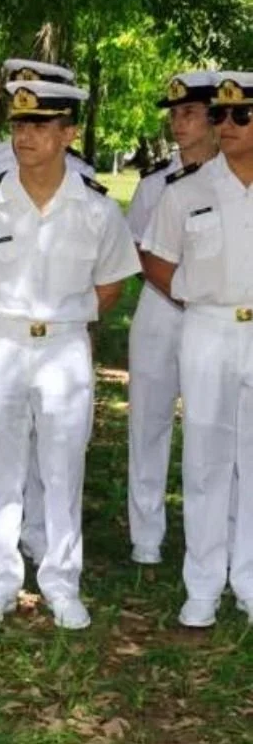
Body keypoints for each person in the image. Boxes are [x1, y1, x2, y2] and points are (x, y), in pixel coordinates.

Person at [0, 78, 138, 628]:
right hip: (1, 342)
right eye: (19, 125)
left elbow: (110, 284)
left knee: (62, 468)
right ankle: (0, 581)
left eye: (39, 125)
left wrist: (67, 314)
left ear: (68, 133)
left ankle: (61, 582)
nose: (25, 135)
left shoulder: (96, 209)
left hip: (63, 347)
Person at [0, 59, 94, 570]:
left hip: (58, 331)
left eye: (38, 114)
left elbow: (107, 280)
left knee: (53, 445)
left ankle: (43, 536)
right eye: (19, 113)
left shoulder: (87, 187)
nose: (25, 129)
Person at [141, 71, 253, 627]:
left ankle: (250, 581)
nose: (225, 125)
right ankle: (203, 585)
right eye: (222, 115)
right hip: (207, 328)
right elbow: (156, 257)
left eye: (240, 116)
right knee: (207, 460)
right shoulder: (187, 191)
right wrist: (192, 295)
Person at [125, 71, 219, 564]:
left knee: (216, 424)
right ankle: (146, 537)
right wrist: (179, 293)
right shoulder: (153, 184)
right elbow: (138, 252)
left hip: (220, 318)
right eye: (174, 114)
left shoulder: (236, 179)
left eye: (189, 113)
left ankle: (220, 531)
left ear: (213, 118)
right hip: (160, 311)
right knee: (148, 420)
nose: (177, 123)